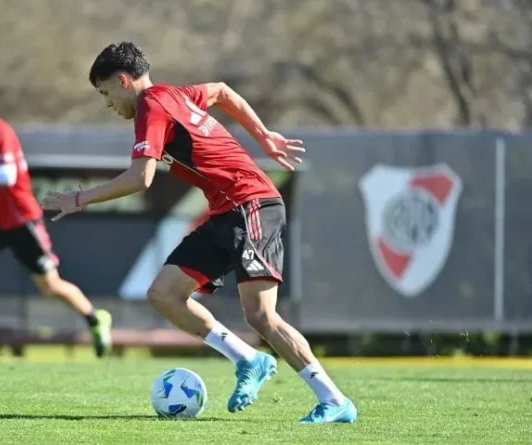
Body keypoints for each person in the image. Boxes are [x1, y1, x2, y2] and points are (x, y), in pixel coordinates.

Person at [42, 42, 357, 423]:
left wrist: (80, 198)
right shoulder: (175, 95)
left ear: (123, 81)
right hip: (226, 212)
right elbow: (221, 91)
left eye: (105, 92)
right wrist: (262, 135)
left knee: (261, 315)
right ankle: (248, 359)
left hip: (252, 204)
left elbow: (140, 178)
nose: (108, 104)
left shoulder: (150, 106)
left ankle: (334, 400)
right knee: (164, 294)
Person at [0, 87, 113, 358]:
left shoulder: (0, 131)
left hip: (22, 221)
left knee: (50, 286)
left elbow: (8, 175)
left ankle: (95, 318)